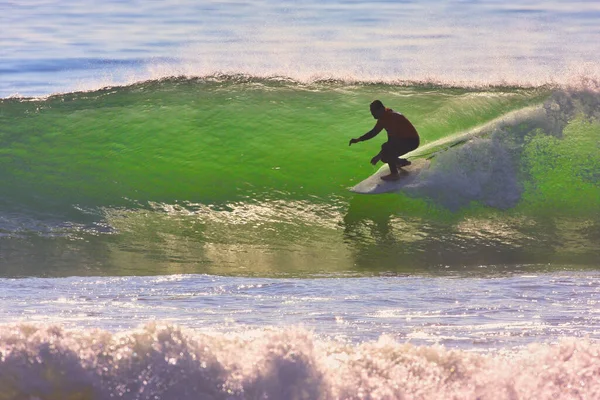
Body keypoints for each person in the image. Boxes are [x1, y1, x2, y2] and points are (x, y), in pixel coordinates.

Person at [349, 100, 420, 181]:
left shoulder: (392, 118)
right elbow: (374, 132)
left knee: (386, 149)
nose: (372, 115)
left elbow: (392, 142)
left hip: (411, 141)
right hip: (403, 141)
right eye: (371, 112)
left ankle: (394, 174)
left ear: (381, 109)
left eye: (374, 112)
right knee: (385, 156)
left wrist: (378, 156)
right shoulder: (383, 118)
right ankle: (401, 162)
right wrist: (358, 139)